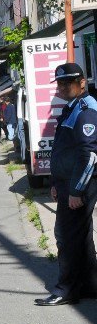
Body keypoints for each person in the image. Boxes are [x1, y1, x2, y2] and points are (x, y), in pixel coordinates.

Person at [36, 63, 97, 306]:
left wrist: (76, 190)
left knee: (67, 235)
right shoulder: (72, 108)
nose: (61, 88)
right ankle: (90, 285)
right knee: (81, 235)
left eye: (67, 83)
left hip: (78, 184)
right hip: (67, 182)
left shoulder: (86, 110)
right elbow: (65, 150)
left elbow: (89, 155)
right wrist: (55, 182)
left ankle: (66, 289)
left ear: (82, 82)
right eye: (59, 83)